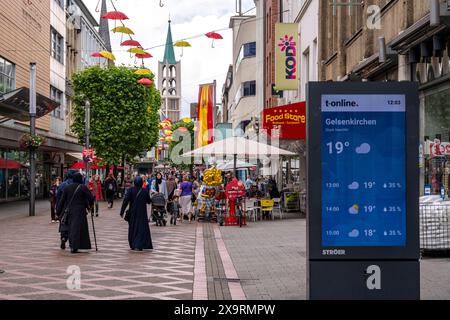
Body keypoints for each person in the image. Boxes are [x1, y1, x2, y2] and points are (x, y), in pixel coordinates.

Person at [56, 173, 94, 254]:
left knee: (71, 228)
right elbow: (90, 198)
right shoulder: (83, 187)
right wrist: (90, 206)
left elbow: (62, 201)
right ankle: (76, 246)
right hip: (80, 211)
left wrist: (58, 212)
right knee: (79, 229)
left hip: (69, 211)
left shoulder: (67, 188)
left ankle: (72, 244)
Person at [120, 176, 153, 251]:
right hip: (142, 213)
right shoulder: (144, 191)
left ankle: (133, 244)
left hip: (133, 212)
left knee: (133, 228)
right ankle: (140, 244)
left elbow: (125, 201)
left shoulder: (130, 190)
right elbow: (148, 201)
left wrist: (122, 212)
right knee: (141, 228)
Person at [56, 169, 77, 248]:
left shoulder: (62, 185)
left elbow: (58, 197)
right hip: (74, 208)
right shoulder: (77, 184)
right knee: (73, 225)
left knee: (64, 222)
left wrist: (57, 209)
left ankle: (63, 237)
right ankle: (72, 241)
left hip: (64, 207)